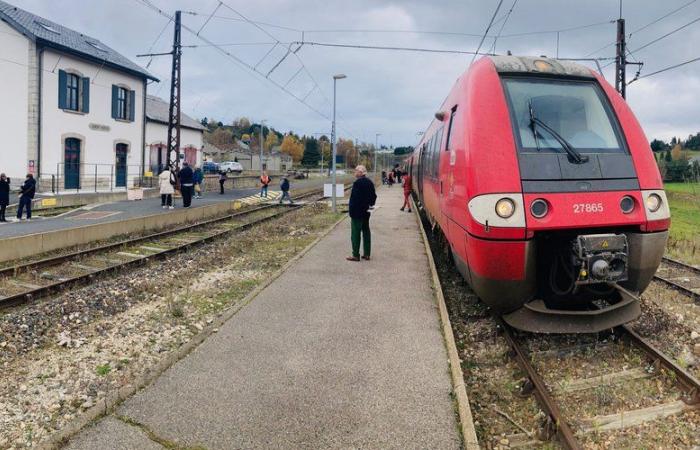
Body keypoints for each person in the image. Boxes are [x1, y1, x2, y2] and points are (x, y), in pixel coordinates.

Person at [347, 165, 377, 262]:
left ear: (361, 173)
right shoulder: (369, 182)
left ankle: (356, 255)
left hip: (357, 213)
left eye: (356, 171)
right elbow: (374, 197)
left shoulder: (357, 183)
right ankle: (367, 254)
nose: (355, 172)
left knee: (355, 234)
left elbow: (355, 199)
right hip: (366, 212)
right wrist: (369, 205)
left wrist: (351, 210)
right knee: (366, 232)